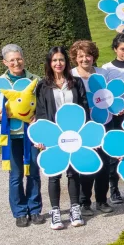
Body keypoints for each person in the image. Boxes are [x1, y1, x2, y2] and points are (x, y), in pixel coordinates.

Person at [35, 46, 89, 230]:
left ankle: (75, 208)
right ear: (49, 63)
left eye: (61, 60)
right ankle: (56, 212)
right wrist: (41, 137)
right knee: (54, 174)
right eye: (55, 60)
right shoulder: (43, 85)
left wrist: (86, 136)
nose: (58, 63)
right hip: (53, 136)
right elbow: (41, 112)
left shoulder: (76, 83)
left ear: (66, 62)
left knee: (74, 173)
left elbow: (84, 110)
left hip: (73, 135)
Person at [70, 39, 120, 215]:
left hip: (104, 122)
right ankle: (84, 202)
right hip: (83, 126)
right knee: (87, 162)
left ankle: (101, 200)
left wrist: (117, 108)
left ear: (93, 56)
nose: (85, 59)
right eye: (81, 56)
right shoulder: (71, 76)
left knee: (105, 163)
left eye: (88, 55)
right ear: (75, 58)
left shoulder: (102, 73)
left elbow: (110, 96)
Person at [0, 44, 44, 226]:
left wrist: (38, 117)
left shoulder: (35, 80)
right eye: (12, 60)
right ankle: (20, 212)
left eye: (19, 58)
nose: (16, 62)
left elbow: (42, 105)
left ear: (23, 58)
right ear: (5, 62)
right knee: (16, 175)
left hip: (31, 134)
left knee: (33, 172)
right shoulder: (0, 83)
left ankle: (35, 209)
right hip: (11, 136)